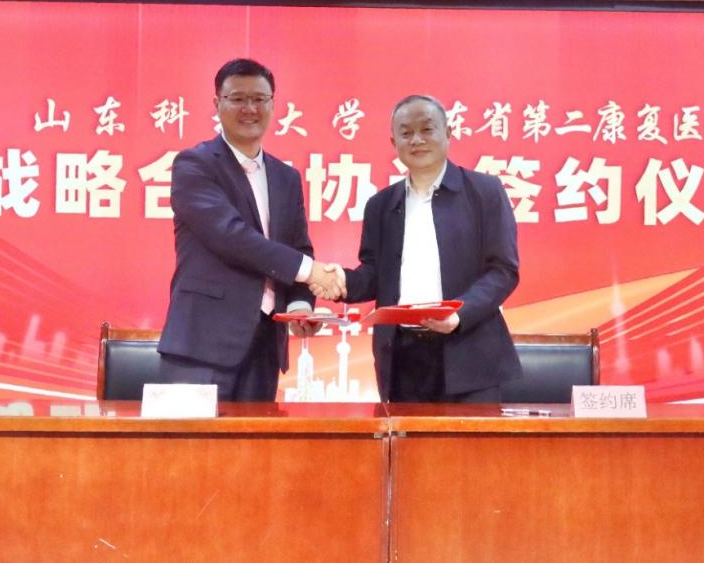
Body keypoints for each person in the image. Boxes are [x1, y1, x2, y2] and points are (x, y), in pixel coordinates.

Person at [158, 58, 344, 401]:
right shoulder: (194, 165)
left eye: (259, 99)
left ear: (273, 104)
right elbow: (231, 236)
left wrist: (300, 305)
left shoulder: (286, 178)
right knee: (190, 439)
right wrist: (312, 272)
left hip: (264, 347)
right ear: (217, 103)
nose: (250, 109)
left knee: (255, 438)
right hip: (201, 346)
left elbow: (299, 247)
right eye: (238, 98)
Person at [322, 94, 521, 402]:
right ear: (393, 142)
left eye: (427, 129)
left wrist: (459, 313)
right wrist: (341, 281)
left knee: (470, 437)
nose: (416, 140)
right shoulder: (381, 205)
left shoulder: (484, 192)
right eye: (406, 133)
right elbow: (375, 276)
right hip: (403, 359)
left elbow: (503, 271)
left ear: (448, 133)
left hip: (471, 354)